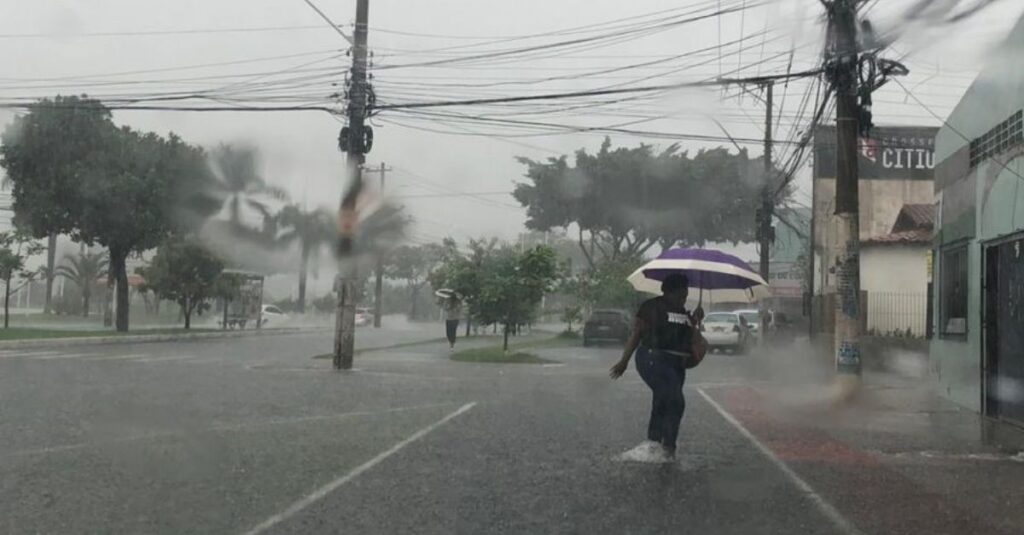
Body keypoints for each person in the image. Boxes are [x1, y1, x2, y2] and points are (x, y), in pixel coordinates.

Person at [609, 273, 700, 461]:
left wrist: (696, 322)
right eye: (680, 295)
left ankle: (654, 444)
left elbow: (691, 340)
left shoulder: (684, 313)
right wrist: (624, 360)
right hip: (653, 359)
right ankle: (667, 447)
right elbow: (636, 334)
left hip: (677, 365)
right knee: (676, 400)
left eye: (685, 296)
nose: (683, 299)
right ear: (667, 291)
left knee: (662, 399)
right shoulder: (651, 307)